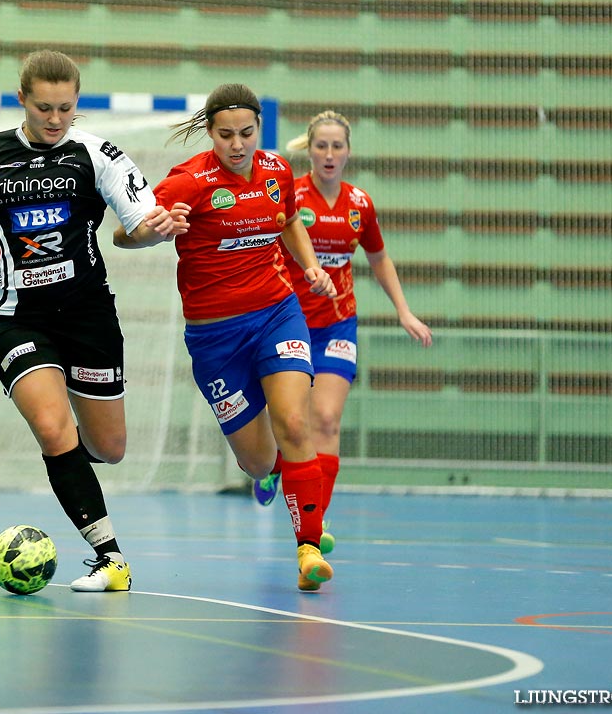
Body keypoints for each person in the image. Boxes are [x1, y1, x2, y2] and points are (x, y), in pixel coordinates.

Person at [0, 50, 186, 592]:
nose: (55, 119)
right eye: (44, 107)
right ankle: (111, 558)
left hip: (87, 314)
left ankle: (67, 462)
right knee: (51, 426)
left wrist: (156, 231)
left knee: (109, 447)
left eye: (66, 108)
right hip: (14, 316)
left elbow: (134, 228)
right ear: (22, 99)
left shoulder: (97, 154)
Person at [137, 84, 339, 592]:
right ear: (210, 133)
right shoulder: (190, 181)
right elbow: (127, 232)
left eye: (246, 133)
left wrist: (310, 266)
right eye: (225, 134)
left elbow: (289, 219)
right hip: (215, 337)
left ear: (259, 131)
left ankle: (308, 547)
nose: (237, 144)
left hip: (277, 312)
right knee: (257, 458)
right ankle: (268, 474)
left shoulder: (275, 171)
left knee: (295, 422)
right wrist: (156, 230)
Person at [252, 110, 432, 558]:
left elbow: (379, 258)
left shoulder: (359, 204)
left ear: (348, 152)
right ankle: (274, 462)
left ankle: (315, 522)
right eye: (321, 146)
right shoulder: (291, 196)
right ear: (309, 150)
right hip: (287, 321)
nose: (329, 154)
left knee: (326, 420)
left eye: (337, 146)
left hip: (337, 323)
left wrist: (404, 311)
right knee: (289, 422)